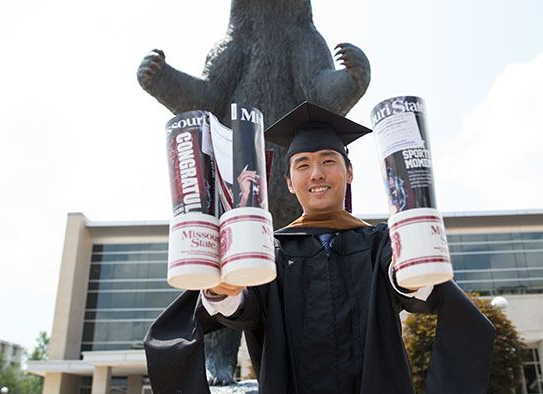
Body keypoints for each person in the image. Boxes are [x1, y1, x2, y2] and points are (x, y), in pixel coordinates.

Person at [145, 102, 495, 394]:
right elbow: (248, 310)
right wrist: (225, 291)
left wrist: (414, 272)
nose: (316, 173)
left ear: (350, 172)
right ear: (288, 182)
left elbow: (414, 291)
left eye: (329, 160)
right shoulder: (271, 250)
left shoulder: (380, 242)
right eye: (303, 165)